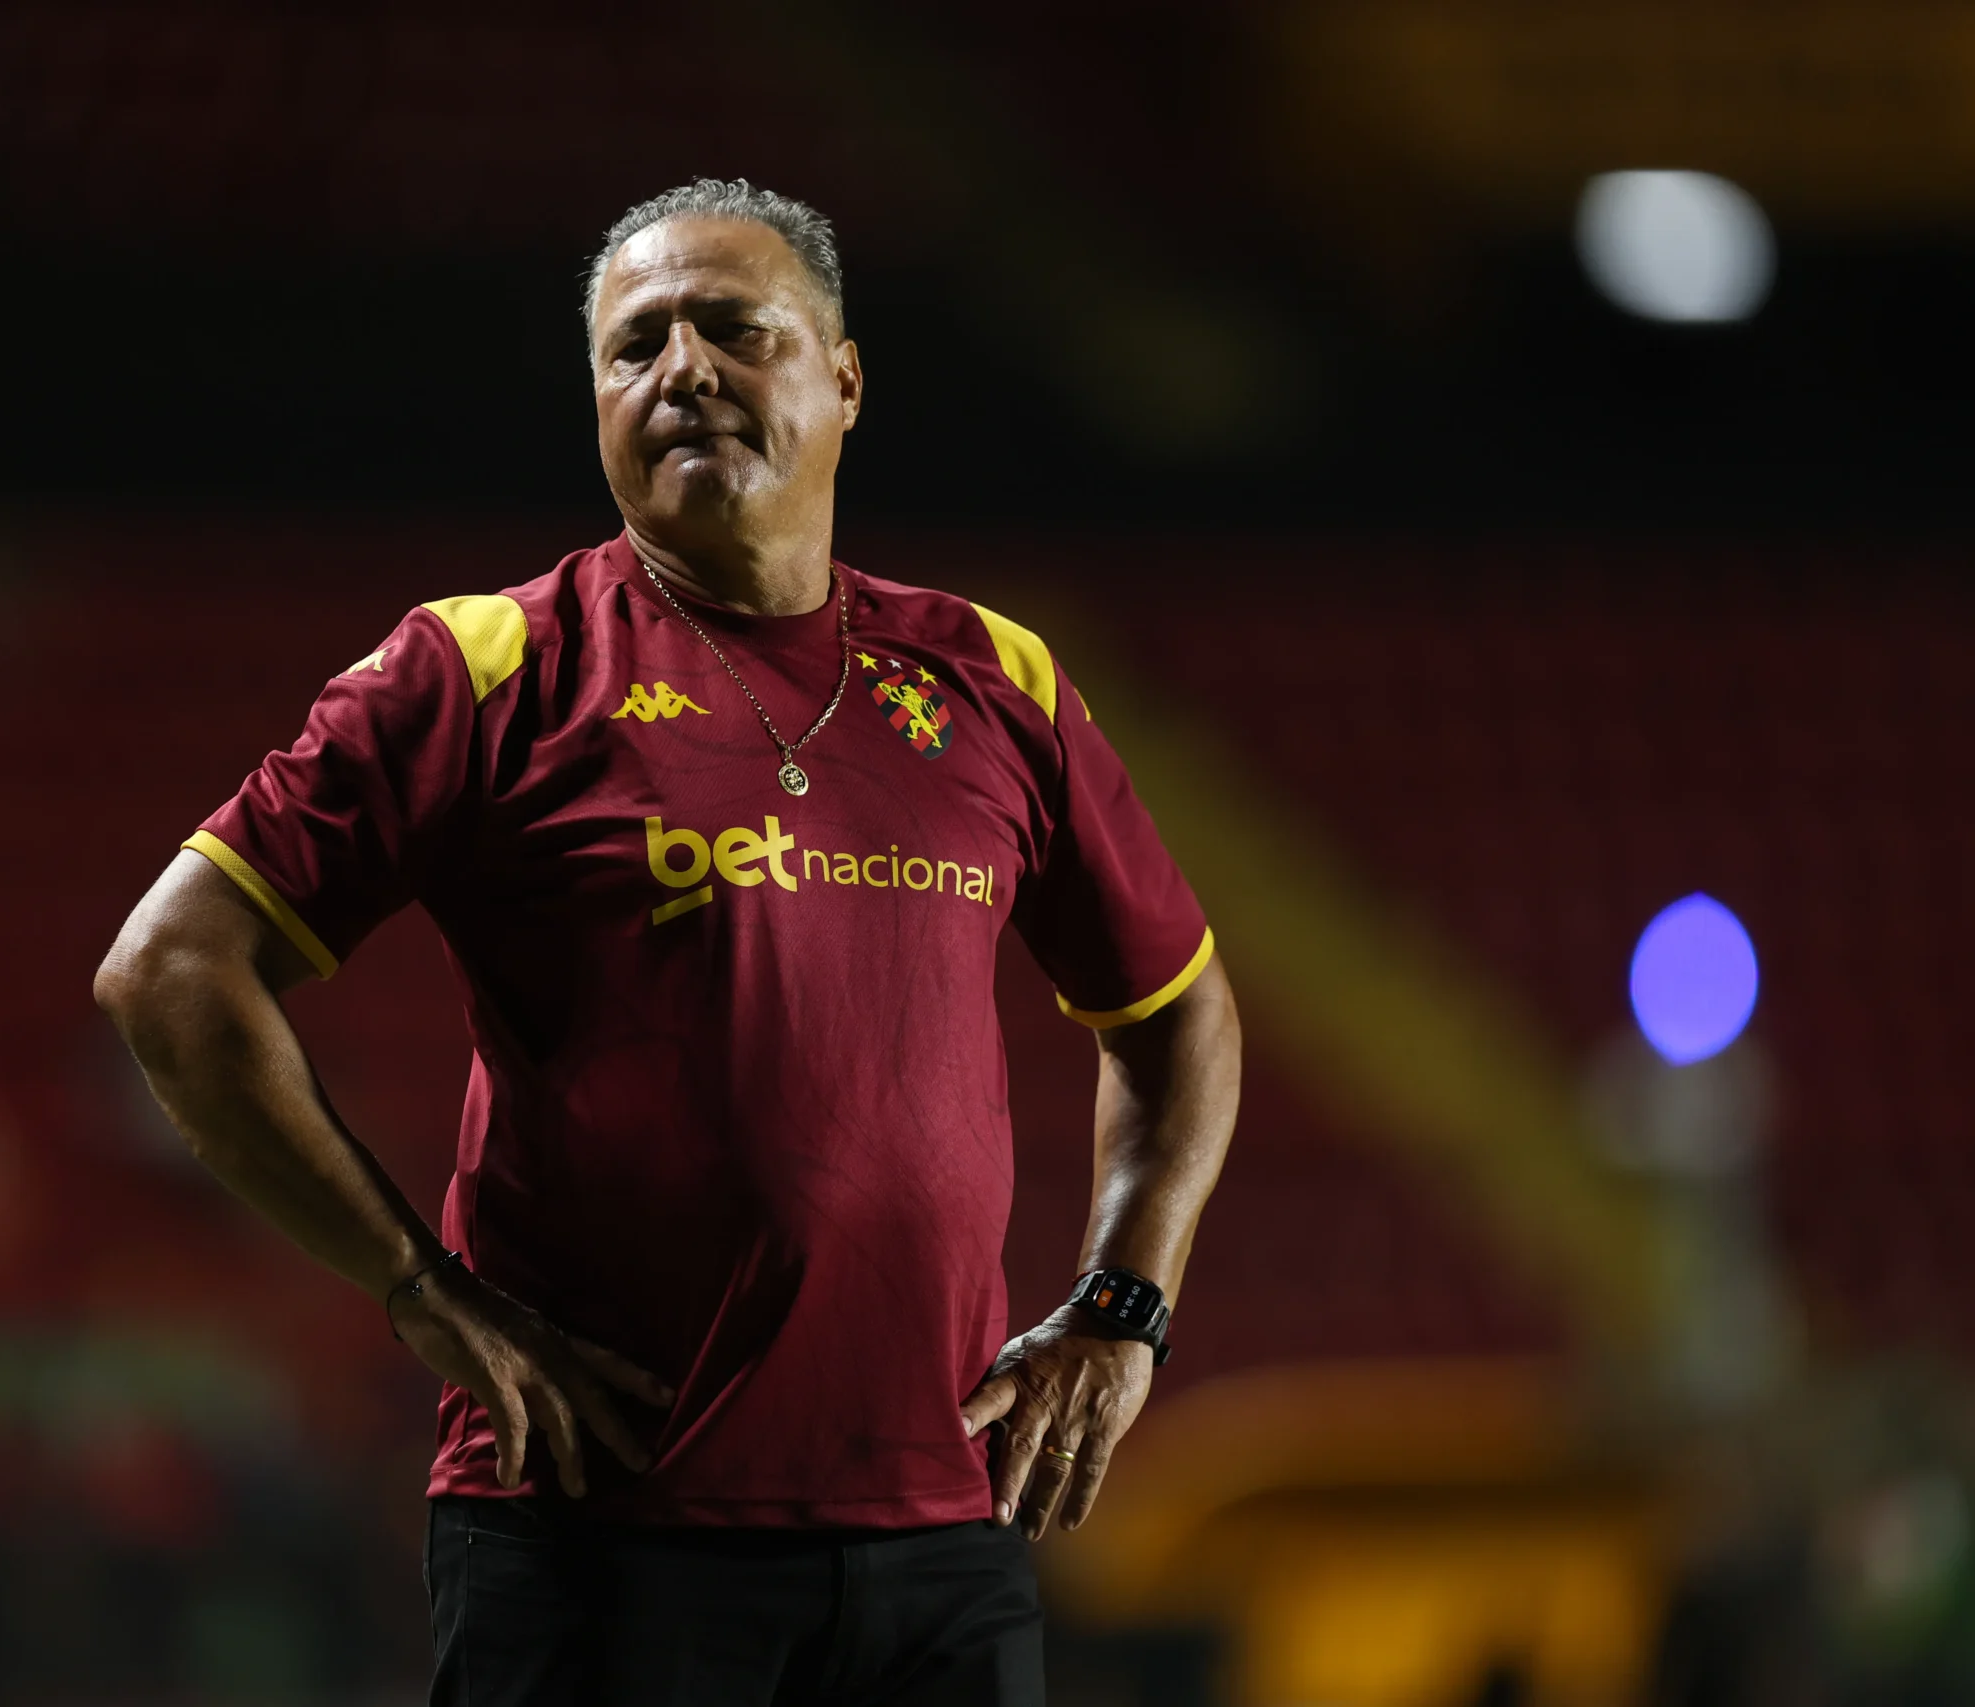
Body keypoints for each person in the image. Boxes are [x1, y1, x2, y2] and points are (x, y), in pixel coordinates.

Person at [94, 178, 1242, 1707]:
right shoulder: (490, 669)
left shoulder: (993, 677)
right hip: (597, 1534)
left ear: (845, 380)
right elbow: (170, 970)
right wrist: (418, 1285)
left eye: (734, 329)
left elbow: (1180, 1014)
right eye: (635, 347)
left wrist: (1124, 1303)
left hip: (939, 1535)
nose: (683, 369)